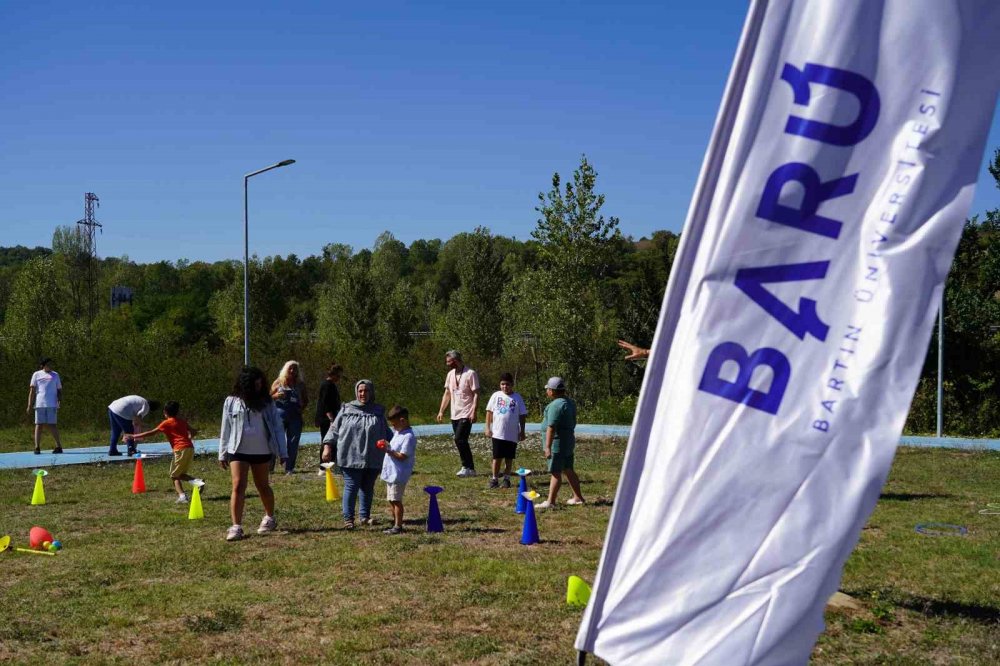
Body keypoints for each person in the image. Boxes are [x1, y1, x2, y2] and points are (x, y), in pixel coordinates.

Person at [218, 366, 288, 542]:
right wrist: (222, 453)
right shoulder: (231, 401)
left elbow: (278, 427)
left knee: (262, 485)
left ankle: (269, 517)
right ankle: (236, 526)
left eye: (260, 384)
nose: (259, 387)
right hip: (237, 450)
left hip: (262, 450)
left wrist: (283, 452)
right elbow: (225, 428)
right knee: (238, 485)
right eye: (255, 384)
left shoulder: (267, 402)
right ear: (246, 385)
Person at [322, 379, 390, 529]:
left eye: (366, 391)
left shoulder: (378, 411)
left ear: (371, 392)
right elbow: (334, 429)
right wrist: (327, 446)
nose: (363, 394)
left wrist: (401, 442)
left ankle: (364, 517)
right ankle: (349, 519)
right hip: (350, 456)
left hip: (373, 456)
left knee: (367, 487)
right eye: (360, 391)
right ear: (356, 392)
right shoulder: (346, 409)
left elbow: (388, 432)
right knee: (351, 486)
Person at [125, 401, 200, 503]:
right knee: (180, 473)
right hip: (190, 448)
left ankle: (183, 496)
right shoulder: (182, 421)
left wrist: (133, 436)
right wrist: (189, 437)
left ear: (165, 412)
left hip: (180, 450)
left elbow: (151, 433)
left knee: (174, 475)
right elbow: (193, 431)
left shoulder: (166, 423)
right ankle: (197, 482)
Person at [538, 376, 585, 509]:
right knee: (568, 469)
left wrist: (547, 447)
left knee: (555, 471)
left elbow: (551, 427)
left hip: (557, 444)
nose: (547, 391)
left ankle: (551, 501)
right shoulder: (569, 402)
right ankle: (578, 497)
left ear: (552, 391)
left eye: (548, 389)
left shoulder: (556, 405)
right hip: (568, 441)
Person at [435, 350, 480, 477]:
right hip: (454, 412)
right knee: (461, 441)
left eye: (449, 361)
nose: (447, 364)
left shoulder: (470, 373)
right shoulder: (450, 374)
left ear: (455, 361)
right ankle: (468, 467)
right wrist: (441, 411)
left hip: (466, 412)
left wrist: (474, 411)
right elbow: (447, 394)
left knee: (459, 438)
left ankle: (467, 467)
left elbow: (476, 394)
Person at [484, 372, 527, 489]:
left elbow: (522, 415)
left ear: (512, 384)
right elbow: (489, 412)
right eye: (502, 384)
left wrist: (522, 431)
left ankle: (506, 478)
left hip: (512, 434)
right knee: (497, 457)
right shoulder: (496, 396)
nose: (505, 386)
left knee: (509, 458)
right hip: (498, 433)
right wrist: (487, 427)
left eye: (507, 384)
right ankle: (494, 479)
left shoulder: (517, 398)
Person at [381, 405, 417, 535]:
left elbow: (402, 456)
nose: (393, 427)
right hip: (391, 472)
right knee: (391, 499)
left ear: (402, 421)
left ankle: (398, 526)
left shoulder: (408, 437)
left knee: (396, 500)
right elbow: (393, 447)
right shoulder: (398, 432)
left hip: (398, 474)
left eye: (394, 424)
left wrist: (388, 451)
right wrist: (387, 444)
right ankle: (395, 521)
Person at [271, 361, 309, 474]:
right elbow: (268, 397)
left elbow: (306, 400)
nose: (292, 371)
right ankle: (270, 467)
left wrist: (301, 408)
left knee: (293, 442)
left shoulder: (300, 384)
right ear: (285, 369)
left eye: (295, 369)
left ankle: (289, 468)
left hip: (295, 416)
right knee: (275, 441)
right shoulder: (278, 382)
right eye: (290, 368)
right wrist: (276, 396)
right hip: (280, 416)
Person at [27, 357, 63, 455]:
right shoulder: (36, 374)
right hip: (40, 404)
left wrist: (59, 401)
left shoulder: (55, 375)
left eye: (51, 364)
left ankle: (59, 446)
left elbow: (59, 390)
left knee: (52, 425)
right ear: (43, 365)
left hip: (52, 404)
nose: (50, 366)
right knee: (39, 425)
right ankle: (37, 447)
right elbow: (32, 391)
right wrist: (29, 405)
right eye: (48, 364)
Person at [314, 363, 343, 472]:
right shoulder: (327, 385)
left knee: (333, 442)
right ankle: (323, 467)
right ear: (333, 374)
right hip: (327, 419)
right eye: (338, 375)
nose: (339, 378)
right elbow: (325, 403)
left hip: (332, 417)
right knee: (327, 441)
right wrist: (331, 419)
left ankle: (331, 465)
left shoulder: (332, 385)